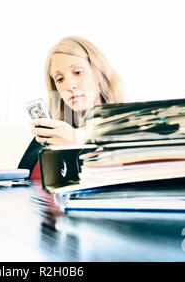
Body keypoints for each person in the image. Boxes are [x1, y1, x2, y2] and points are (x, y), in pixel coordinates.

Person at [18, 36, 124, 180]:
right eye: (60, 79)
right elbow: (19, 181)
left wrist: (80, 142)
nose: (69, 86)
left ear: (99, 73)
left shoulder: (126, 132)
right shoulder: (49, 136)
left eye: (78, 72)